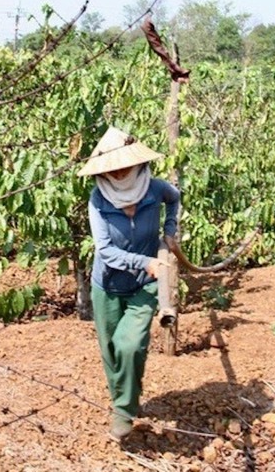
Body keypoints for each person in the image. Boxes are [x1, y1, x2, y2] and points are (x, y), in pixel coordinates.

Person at [77, 126, 181, 442]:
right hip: (106, 285)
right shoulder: (98, 198)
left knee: (130, 344)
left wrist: (170, 229)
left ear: (137, 164)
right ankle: (123, 401)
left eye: (125, 165)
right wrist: (144, 261)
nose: (120, 172)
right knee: (111, 353)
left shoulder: (154, 189)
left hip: (144, 286)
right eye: (113, 168)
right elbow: (105, 250)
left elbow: (175, 199)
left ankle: (123, 411)